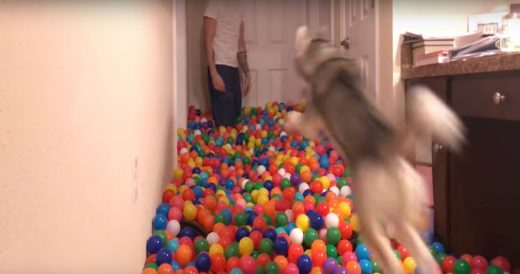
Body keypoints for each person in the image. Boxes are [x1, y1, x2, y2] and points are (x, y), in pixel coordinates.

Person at [203, 0, 250, 127]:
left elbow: (240, 42)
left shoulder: (240, 6)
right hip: (220, 67)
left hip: (234, 68)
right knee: (224, 124)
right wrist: (213, 73)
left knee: (235, 118)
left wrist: (247, 73)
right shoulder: (214, 4)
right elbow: (208, 39)